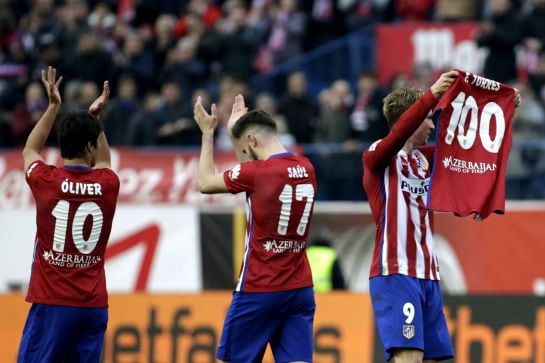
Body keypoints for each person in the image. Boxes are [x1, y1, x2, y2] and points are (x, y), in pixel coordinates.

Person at [193, 94, 317, 363]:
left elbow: (205, 182)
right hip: (300, 289)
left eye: (241, 146)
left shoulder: (256, 173)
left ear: (251, 141)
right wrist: (239, 130)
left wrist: (208, 134)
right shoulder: (307, 167)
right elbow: (261, 167)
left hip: (259, 287)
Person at [18, 67, 119, 363]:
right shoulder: (108, 184)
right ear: (90, 144)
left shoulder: (45, 181)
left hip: (53, 303)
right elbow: (103, 160)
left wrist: (53, 107)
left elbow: (30, 149)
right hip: (93, 306)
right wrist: (95, 120)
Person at [362, 71, 459, 363]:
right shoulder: (378, 155)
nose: (431, 124)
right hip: (396, 272)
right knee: (409, 357)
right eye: (427, 117)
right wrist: (431, 94)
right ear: (411, 119)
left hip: (428, 274)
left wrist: (501, 112)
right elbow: (397, 135)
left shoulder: (423, 159)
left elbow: (464, 148)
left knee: (431, 359)